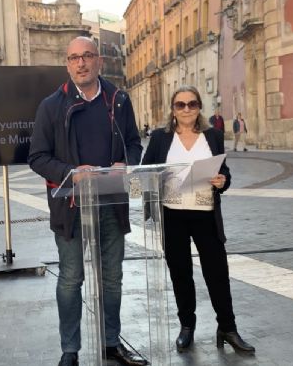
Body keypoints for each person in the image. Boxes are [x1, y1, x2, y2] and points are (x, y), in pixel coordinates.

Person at [28, 36, 147, 366]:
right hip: (71, 207)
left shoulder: (119, 100)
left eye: (86, 56)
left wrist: (128, 162)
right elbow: (37, 157)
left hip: (111, 202)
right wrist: (70, 171)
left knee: (113, 277)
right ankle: (70, 350)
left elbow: (135, 143)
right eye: (73, 58)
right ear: (67, 64)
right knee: (70, 278)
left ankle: (111, 344)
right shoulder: (52, 106)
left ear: (99, 62)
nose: (80, 63)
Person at [141, 85, 255, 355]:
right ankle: (187, 327)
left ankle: (227, 328)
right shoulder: (160, 138)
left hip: (205, 215)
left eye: (192, 104)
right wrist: (155, 182)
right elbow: (144, 175)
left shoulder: (212, 136)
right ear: (173, 109)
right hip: (172, 215)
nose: (186, 109)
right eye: (180, 105)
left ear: (199, 107)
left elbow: (223, 171)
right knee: (181, 274)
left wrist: (222, 180)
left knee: (217, 273)